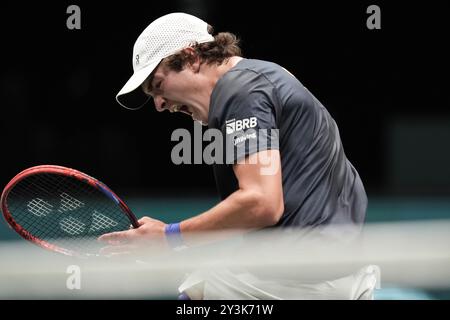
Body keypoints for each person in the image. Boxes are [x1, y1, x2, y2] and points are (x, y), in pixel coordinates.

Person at [99, 12, 377, 299]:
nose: (158, 105)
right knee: (200, 286)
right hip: (338, 271)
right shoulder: (263, 77)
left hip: (306, 280)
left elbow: (263, 203)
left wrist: (170, 237)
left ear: (191, 57)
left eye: (157, 86)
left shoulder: (240, 92)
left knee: (200, 292)